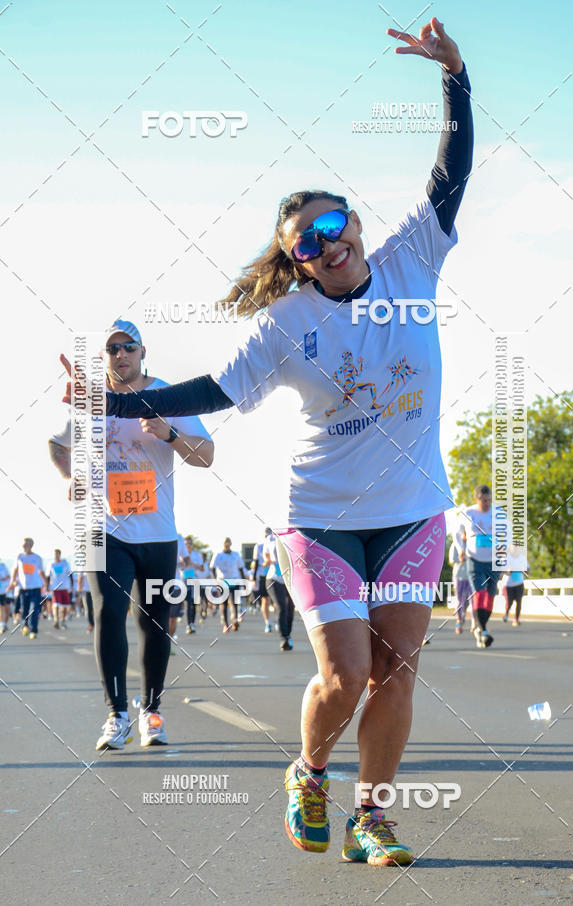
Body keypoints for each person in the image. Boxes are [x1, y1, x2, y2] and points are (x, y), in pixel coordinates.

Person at [91, 18, 472, 865]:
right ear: (296, 264)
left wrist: (455, 77)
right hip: (322, 514)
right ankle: (308, 771)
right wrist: (112, 404)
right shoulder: (283, 327)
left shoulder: (413, 260)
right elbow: (211, 392)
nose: (329, 243)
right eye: (308, 242)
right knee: (343, 676)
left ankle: (371, 816)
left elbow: (451, 174)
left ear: (357, 224)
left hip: (413, 508)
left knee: (397, 669)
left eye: (335, 223)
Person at [52, 319, 214, 750]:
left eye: (129, 347)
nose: (120, 354)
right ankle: (116, 714)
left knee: (156, 622)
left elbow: (207, 456)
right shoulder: (89, 400)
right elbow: (58, 445)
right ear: (103, 356)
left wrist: (171, 433)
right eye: (112, 348)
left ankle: (152, 711)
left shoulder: (166, 397)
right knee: (108, 612)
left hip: (158, 533)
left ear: (143, 353)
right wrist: (71, 475)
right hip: (102, 530)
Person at [455, 485, 510, 649]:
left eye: (488, 500)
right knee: (479, 592)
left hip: (493, 561)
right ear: (476, 499)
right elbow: (458, 534)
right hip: (474, 559)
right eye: (483, 501)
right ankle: (484, 629)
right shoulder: (468, 513)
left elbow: (507, 534)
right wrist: (461, 550)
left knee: (491, 594)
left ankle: (481, 627)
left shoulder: (498, 512)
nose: (486, 504)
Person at [7, 539, 48, 639]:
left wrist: (46, 583)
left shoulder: (37, 558)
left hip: (35, 587)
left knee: (34, 609)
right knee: (24, 610)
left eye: (27, 544)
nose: (25, 546)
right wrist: (12, 582)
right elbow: (15, 570)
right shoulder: (19, 557)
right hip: (23, 588)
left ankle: (33, 630)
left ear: (32, 545)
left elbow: (41, 571)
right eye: (24, 544)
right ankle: (25, 626)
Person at [263, 529, 294, 650]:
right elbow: (266, 558)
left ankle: (288, 634)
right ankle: (284, 637)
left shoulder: (292, 535)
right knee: (282, 607)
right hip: (274, 578)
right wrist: (269, 561)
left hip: (290, 577)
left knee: (290, 608)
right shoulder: (269, 539)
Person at [210, 538, 246, 633]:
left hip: (234, 580)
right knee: (224, 603)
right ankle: (226, 624)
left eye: (228, 542)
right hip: (222, 581)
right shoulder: (218, 555)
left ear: (231, 543)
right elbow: (212, 568)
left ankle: (234, 620)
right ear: (222, 544)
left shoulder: (236, 554)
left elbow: (241, 568)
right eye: (225, 542)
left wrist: (244, 582)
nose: (227, 544)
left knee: (234, 602)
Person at [448, 530, 470, 634]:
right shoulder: (455, 545)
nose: (465, 535)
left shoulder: (471, 544)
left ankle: (463, 614)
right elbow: (452, 561)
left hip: (470, 576)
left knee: (467, 601)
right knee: (459, 600)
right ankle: (459, 620)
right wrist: (461, 559)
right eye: (463, 533)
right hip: (458, 576)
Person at [251, 527, 273, 631]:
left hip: (275, 575)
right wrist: (254, 578)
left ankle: (277, 621)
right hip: (263, 575)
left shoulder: (275, 544)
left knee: (277, 601)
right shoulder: (258, 546)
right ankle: (268, 623)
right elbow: (255, 562)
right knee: (265, 600)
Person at [48, 548, 73, 629]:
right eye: (54, 554)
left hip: (65, 587)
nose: (56, 555)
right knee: (55, 605)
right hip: (55, 588)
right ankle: (56, 620)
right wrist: (47, 586)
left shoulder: (65, 563)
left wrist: (72, 585)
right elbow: (48, 576)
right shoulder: (51, 564)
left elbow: (70, 574)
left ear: (59, 554)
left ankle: (63, 621)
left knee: (64, 606)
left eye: (57, 554)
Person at [0, 559, 11, 632]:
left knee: (3, 608)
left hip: (2, 591)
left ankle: (3, 624)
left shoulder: (3, 566)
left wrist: (3, 578)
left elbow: (8, 576)